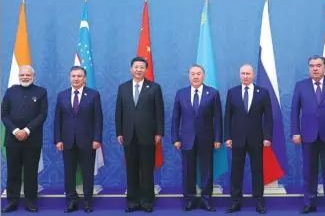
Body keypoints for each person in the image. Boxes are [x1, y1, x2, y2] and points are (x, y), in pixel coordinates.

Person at [290, 55, 325, 214]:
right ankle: (309, 202)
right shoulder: (301, 86)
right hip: (308, 135)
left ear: (324, 67)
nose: (315, 68)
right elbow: (295, 111)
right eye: (311, 66)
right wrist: (295, 132)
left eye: (318, 65)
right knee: (309, 170)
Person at [115, 56, 165, 213]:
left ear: (146, 69)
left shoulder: (154, 88)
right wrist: (119, 132)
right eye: (136, 67)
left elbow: (159, 112)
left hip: (148, 135)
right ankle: (133, 201)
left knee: (147, 169)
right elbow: (119, 112)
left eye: (141, 67)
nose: (138, 69)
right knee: (131, 169)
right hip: (128, 135)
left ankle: (147, 201)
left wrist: (159, 132)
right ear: (131, 69)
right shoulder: (122, 88)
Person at [171, 64, 222, 212]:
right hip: (186, 139)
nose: (195, 76)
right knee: (188, 171)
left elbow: (218, 118)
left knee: (207, 170)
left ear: (203, 76)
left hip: (207, 138)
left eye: (198, 74)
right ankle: (189, 200)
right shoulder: (181, 94)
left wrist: (218, 138)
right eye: (193, 74)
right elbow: (176, 117)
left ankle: (206, 200)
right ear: (189, 76)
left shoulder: (213, 93)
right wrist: (175, 138)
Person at [54, 66, 103, 213]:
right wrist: (58, 140)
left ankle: (87, 202)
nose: (76, 78)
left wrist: (97, 139)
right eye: (73, 76)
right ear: (70, 77)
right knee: (69, 173)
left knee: (87, 173)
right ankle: (71, 201)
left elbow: (98, 119)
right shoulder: (61, 95)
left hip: (88, 142)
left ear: (85, 78)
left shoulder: (93, 95)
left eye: (79, 76)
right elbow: (58, 120)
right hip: (67, 141)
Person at [224, 64, 272, 214]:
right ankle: (235, 201)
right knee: (236, 171)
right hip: (237, 139)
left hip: (256, 139)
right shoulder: (232, 93)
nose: (245, 76)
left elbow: (269, 118)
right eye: (243, 73)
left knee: (257, 171)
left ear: (254, 75)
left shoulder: (263, 93)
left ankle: (259, 201)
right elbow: (227, 117)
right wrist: (228, 137)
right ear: (240, 75)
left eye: (248, 74)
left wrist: (268, 137)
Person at [1, 65, 47, 213]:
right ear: (19, 76)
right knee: (13, 172)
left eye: (28, 75)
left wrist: (27, 131)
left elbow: (42, 114)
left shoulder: (41, 92)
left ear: (33, 76)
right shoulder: (10, 91)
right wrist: (15, 131)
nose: (25, 77)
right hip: (12, 139)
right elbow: (4, 114)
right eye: (22, 75)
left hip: (32, 140)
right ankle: (12, 201)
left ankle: (30, 202)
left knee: (31, 172)